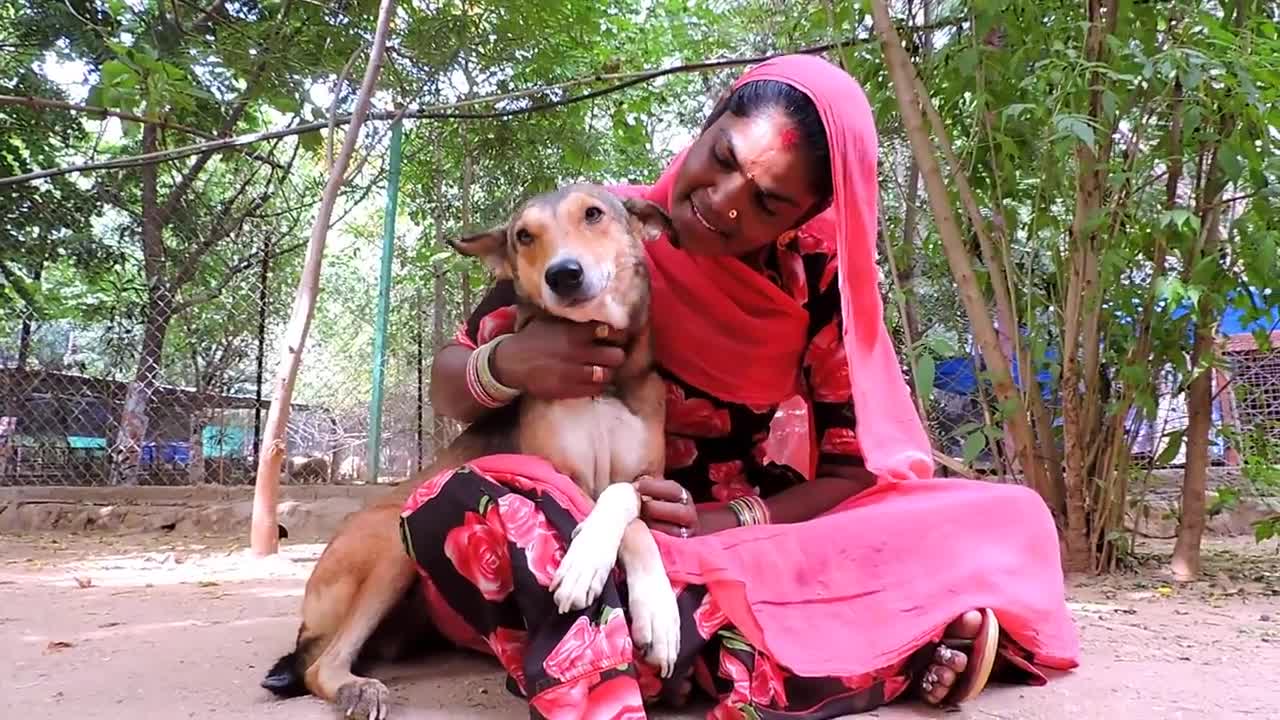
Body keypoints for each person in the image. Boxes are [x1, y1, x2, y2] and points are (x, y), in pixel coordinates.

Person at [402, 54, 1079, 719]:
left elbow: (848, 472)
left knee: (1007, 517)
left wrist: (717, 523)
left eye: (768, 202)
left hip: (740, 536)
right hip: (586, 521)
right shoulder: (598, 227)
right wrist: (510, 362)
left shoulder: (814, 280)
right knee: (482, 506)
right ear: (707, 124)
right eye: (723, 158)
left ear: (806, 215)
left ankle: (659, 652)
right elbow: (450, 386)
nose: (722, 203)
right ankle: (885, 643)